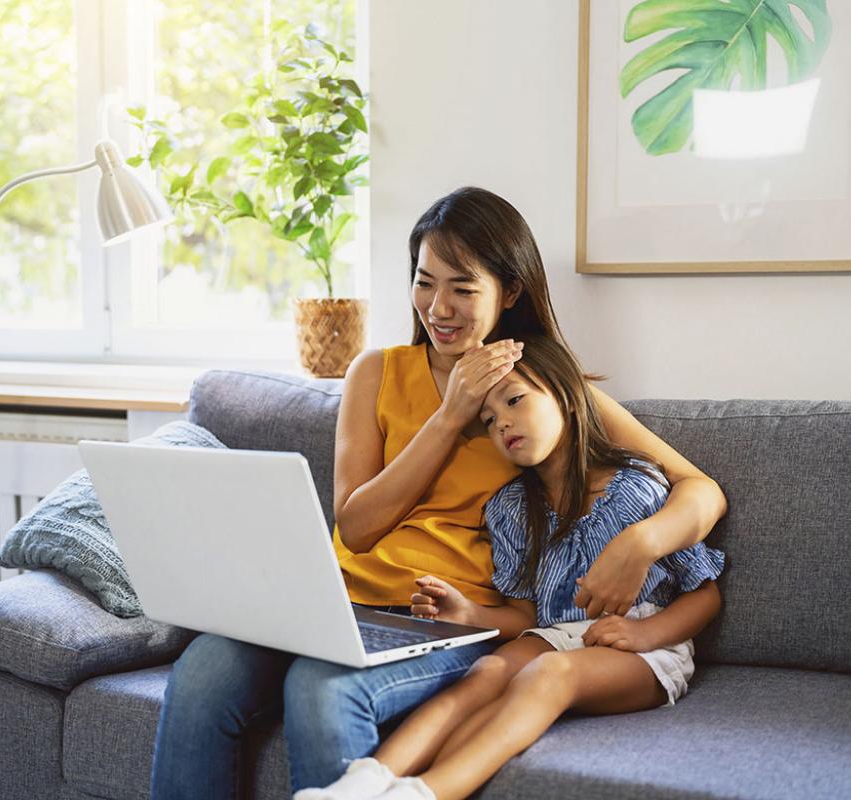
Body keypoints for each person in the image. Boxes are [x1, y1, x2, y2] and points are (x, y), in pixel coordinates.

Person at [149, 187, 728, 797]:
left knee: (322, 692)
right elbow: (358, 526)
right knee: (203, 675)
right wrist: (449, 416)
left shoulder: (538, 393)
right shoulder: (375, 373)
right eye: (425, 283)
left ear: (509, 293)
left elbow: (700, 489)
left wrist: (640, 542)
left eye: (463, 288)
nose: (438, 307)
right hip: (330, 602)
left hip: (445, 621)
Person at [296, 336, 725, 800]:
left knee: (548, 674)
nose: (503, 423)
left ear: (567, 396)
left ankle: (423, 793)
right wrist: (468, 614)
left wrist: (646, 635)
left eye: (515, 401)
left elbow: (705, 594)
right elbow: (523, 617)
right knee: (487, 674)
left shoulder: (638, 487)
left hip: (646, 648)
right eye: (489, 420)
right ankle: (366, 782)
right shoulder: (513, 510)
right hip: (554, 635)